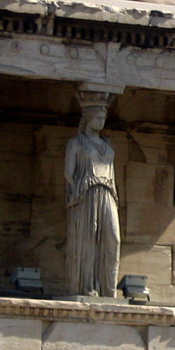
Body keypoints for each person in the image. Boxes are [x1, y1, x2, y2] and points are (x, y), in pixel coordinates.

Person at [65, 95, 119, 297]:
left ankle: (109, 289)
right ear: (88, 118)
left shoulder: (108, 144)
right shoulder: (76, 143)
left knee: (112, 238)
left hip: (108, 192)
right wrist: (75, 192)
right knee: (88, 239)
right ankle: (86, 286)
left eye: (104, 117)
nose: (102, 121)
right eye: (98, 117)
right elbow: (68, 173)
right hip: (86, 193)